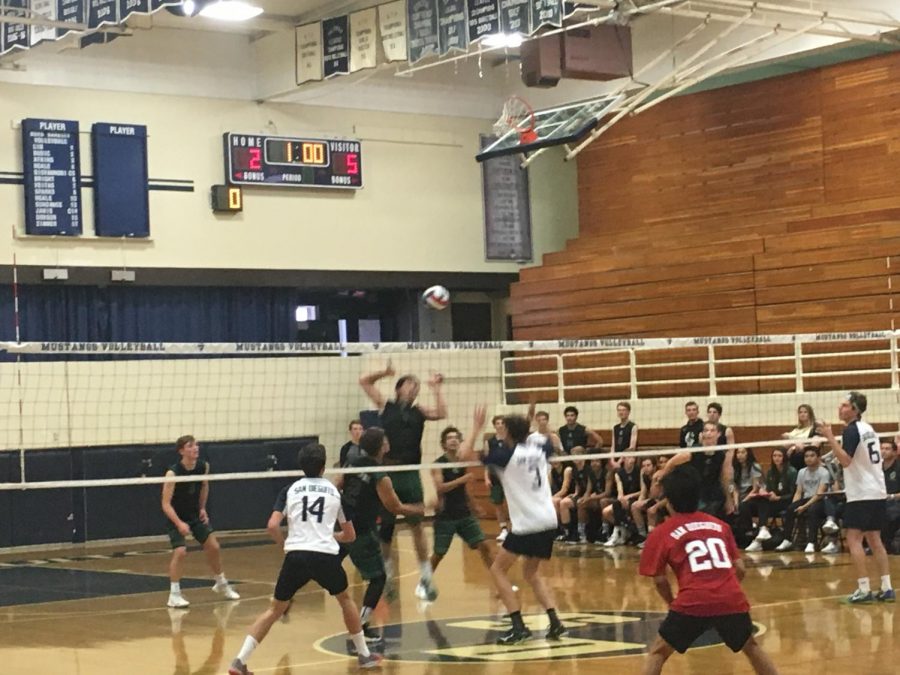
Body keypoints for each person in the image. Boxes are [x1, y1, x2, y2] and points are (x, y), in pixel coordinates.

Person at [227, 444, 381, 674]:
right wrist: (332, 535)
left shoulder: (290, 489)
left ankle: (239, 661)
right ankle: (364, 655)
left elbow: (271, 526)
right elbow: (350, 536)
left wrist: (286, 546)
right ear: (323, 466)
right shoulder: (334, 493)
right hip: (325, 556)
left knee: (275, 610)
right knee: (345, 601)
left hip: (296, 555)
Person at [639, 466, 778, 675]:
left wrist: (672, 604)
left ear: (667, 500)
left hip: (692, 602)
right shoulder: (720, 526)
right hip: (731, 599)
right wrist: (724, 590)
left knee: (658, 652)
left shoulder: (661, 533)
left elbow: (659, 580)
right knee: (751, 646)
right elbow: (740, 568)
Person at [457, 407, 568, 645]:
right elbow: (553, 443)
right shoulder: (540, 449)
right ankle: (555, 622)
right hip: (548, 520)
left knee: (497, 570)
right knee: (530, 573)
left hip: (527, 523)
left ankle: (518, 626)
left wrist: (476, 428)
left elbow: (463, 454)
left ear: (506, 432)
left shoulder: (503, 455)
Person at [359, 361, 446, 601]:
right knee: (386, 529)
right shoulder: (385, 406)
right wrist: (384, 373)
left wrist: (436, 388)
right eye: (410, 385)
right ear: (398, 389)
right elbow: (364, 381)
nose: (414, 389)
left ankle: (426, 576)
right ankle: (385, 575)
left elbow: (442, 413)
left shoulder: (419, 412)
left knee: (417, 526)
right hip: (389, 472)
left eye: (417, 386)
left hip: (411, 473)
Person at [336, 427, 426, 636]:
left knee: (325, 564)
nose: (388, 442)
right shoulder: (380, 475)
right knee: (378, 579)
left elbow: (337, 485)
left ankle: (286, 598)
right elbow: (394, 507)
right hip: (361, 532)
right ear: (381, 446)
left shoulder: (350, 463)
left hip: (341, 526)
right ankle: (362, 625)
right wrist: (419, 508)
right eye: (385, 440)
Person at [816, 392, 894, 602]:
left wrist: (829, 437)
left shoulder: (851, 430)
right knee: (874, 539)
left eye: (844, 405)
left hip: (861, 493)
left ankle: (864, 589)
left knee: (853, 539)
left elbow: (846, 461)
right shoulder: (869, 429)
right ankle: (887, 587)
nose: (839, 408)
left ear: (855, 409)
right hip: (877, 490)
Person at [162, 435, 239, 609]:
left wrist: (202, 508)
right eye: (190, 446)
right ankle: (174, 595)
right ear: (182, 450)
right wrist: (179, 523)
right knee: (180, 552)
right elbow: (165, 504)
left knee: (214, 547)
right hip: (176, 516)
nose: (195, 448)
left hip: (194, 515)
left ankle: (221, 583)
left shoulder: (203, 466)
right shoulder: (173, 473)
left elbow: (204, 486)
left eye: (196, 445)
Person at [429, 426, 494, 577]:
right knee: (438, 554)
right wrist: (461, 479)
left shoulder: (461, 462)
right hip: (445, 516)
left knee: (484, 546)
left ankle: (499, 583)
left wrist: (475, 506)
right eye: (449, 438)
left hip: (464, 514)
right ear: (444, 444)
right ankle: (424, 583)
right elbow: (440, 488)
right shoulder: (438, 464)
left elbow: (464, 489)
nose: (453, 440)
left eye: (455, 438)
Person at [663, 421, 735, 519]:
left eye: (712, 430)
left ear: (718, 434)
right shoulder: (693, 451)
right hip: (696, 495)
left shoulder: (721, 454)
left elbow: (723, 477)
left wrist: (729, 499)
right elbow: (670, 463)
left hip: (714, 495)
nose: (709, 433)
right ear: (702, 434)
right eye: (706, 430)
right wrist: (664, 480)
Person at [775, 447, 829, 553]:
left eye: (812, 456)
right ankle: (787, 540)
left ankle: (811, 542)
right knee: (790, 509)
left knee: (813, 510)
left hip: (819, 500)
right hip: (806, 498)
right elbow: (799, 492)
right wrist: (795, 505)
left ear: (818, 458)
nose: (809, 459)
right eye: (806, 456)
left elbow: (820, 494)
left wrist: (804, 507)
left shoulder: (824, 472)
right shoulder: (801, 472)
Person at [745, 447, 797, 551]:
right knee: (757, 502)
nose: (776, 458)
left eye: (779, 456)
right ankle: (760, 531)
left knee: (764, 505)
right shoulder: (770, 472)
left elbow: (793, 493)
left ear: (784, 458)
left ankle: (762, 532)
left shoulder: (791, 471)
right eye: (774, 456)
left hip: (786, 502)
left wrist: (779, 497)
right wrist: (765, 492)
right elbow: (770, 489)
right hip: (773, 501)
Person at [603, 455, 643, 547]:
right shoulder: (619, 473)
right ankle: (623, 530)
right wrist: (621, 497)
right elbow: (620, 490)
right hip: (624, 500)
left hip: (636, 497)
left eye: (633, 458)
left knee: (618, 505)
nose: (632, 460)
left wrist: (627, 497)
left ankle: (618, 534)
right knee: (606, 512)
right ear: (624, 459)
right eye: (629, 457)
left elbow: (643, 491)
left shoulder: (639, 471)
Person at [484, 415, 511, 542]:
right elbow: (487, 462)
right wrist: (486, 478)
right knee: (498, 504)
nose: (500, 425)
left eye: (502, 423)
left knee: (513, 503)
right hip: (495, 477)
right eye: (497, 423)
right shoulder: (490, 442)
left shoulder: (510, 440)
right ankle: (504, 529)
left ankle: (517, 528)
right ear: (494, 425)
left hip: (510, 477)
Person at [731, 448, 763, 546]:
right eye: (738, 452)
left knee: (744, 506)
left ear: (748, 454)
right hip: (740, 495)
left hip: (753, 496)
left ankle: (747, 533)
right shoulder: (735, 468)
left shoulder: (755, 466)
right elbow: (735, 488)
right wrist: (736, 502)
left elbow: (755, 488)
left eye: (743, 452)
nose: (740, 455)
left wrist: (744, 500)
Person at [559, 446, 591, 544]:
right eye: (573, 455)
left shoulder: (588, 468)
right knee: (563, 503)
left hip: (590, 494)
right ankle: (569, 532)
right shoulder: (574, 470)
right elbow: (577, 484)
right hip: (580, 494)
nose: (575, 457)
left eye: (578, 455)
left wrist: (586, 495)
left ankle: (582, 533)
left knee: (580, 503)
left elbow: (590, 485)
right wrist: (576, 493)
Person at [782, 404, 816, 472]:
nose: (802, 414)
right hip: (792, 455)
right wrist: (794, 445)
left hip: (805, 456)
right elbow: (784, 445)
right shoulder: (796, 429)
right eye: (800, 412)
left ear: (810, 414)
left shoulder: (814, 429)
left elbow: (814, 445)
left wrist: (793, 447)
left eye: (805, 412)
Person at [881, 439, 900, 553]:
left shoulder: (898, 468)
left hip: (896, 502)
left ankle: (886, 545)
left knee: (887, 513)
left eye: (887, 449)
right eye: (882, 448)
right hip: (879, 501)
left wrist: (892, 496)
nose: (883, 451)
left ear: (894, 452)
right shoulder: (877, 468)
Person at [611, 401, 638, 468]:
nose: (621, 412)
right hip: (616, 459)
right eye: (619, 410)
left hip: (627, 460)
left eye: (623, 410)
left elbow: (632, 447)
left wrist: (619, 461)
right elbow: (613, 446)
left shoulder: (633, 426)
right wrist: (612, 460)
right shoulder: (615, 428)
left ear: (628, 412)